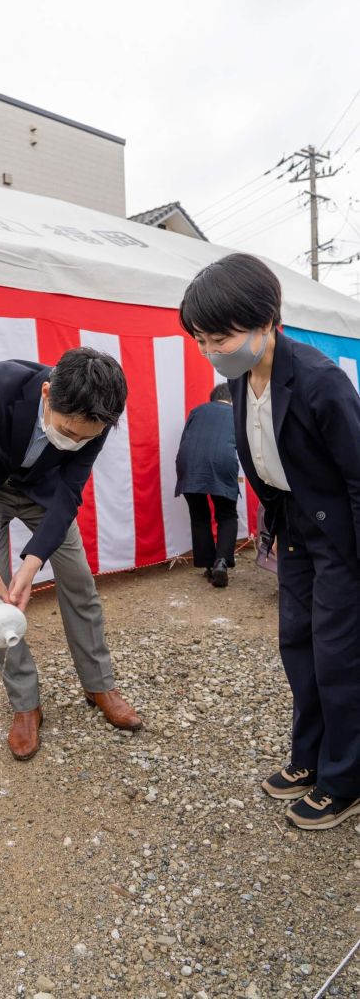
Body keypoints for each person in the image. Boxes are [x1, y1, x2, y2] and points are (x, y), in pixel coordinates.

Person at [180, 252, 360, 830]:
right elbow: (266, 465)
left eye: (221, 336)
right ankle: (309, 758)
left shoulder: (319, 380)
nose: (212, 349)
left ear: (267, 321)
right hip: (297, 526)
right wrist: (275, 530)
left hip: (342, 534)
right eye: (202, 339)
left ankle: (345, 778)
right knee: (298, 645)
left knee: (339, 656)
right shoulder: (238, 378)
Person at [0, 346, 142, 761]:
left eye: (85, 437)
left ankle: (99, 684)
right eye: (68, 432)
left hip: (46, 497)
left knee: (80, 584)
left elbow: (70, 490)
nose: (75, 441)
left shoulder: (97, 415)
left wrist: (33, 563)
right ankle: (25, 702)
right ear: (47, 393)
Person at [175, 382, 239, 587]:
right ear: (231, 400)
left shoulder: (197, 411)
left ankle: (209, 566)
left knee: (199, 515)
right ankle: (221, 561)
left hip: (189, 463)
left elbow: (186, 439)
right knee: (227, 513)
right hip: (222, 462)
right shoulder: (236, 414)